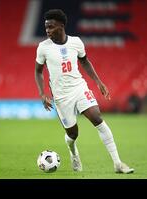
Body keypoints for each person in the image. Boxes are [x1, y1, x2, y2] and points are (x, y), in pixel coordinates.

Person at [34, 9, 133, 174]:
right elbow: (38, 71)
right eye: (46, 28)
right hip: (61, 96)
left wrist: (99, 82)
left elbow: (85, 61)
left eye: (51, 27)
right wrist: (42, 93)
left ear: (61, 26)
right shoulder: (43, 47)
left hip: (79, 87)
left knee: (97, 118)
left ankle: (117, 163)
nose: (48, 31)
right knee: (73, 134)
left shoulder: (76, 42)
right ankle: (73, 151)